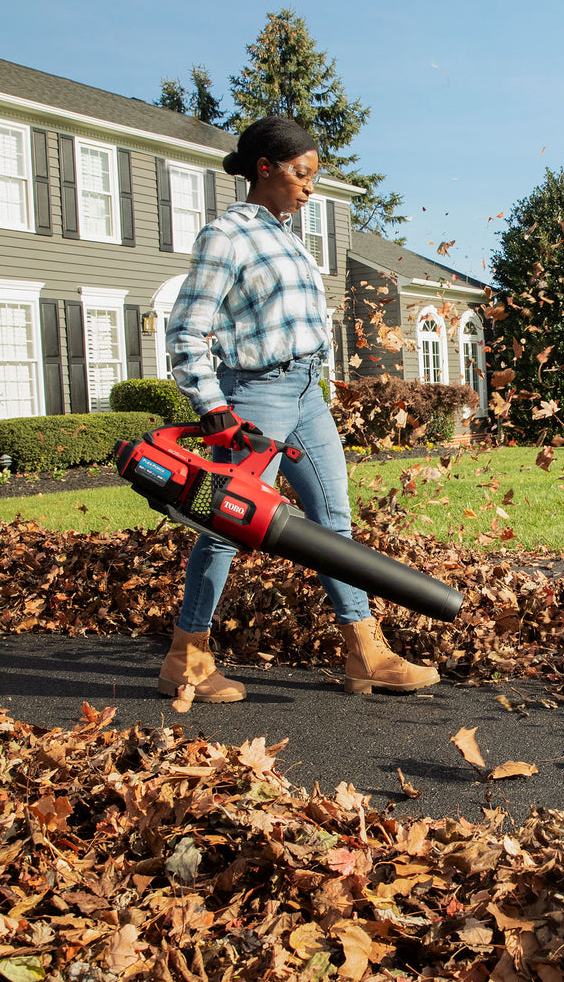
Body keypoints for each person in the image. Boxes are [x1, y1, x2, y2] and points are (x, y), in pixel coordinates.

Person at [161, 115, 439, 703]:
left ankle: (365, 651)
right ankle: (186, 659)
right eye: (302, 173)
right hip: (253, 398)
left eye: (314, 176)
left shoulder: (290, 237)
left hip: (306, 393)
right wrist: (211, 405)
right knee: (225, 526)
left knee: (334, 522)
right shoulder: (228, 235)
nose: (311, 187)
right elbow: (186, 330)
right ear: (266, 169)